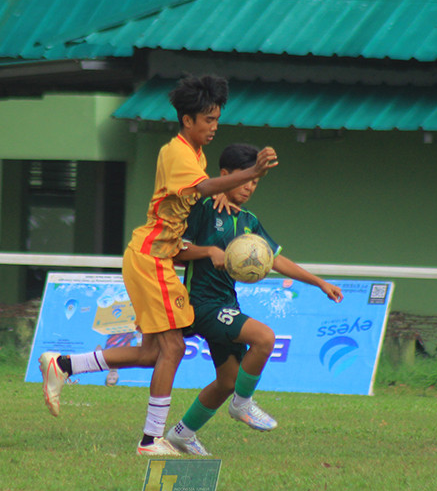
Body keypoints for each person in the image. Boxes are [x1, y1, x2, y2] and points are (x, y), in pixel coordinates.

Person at [39, 75, 278, 455]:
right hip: (151, 257)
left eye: (217, 119)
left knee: (155, 352)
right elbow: (201, 189)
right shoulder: (178, 153)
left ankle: (64, 365)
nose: (214, 127)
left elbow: (202, 193)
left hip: (157, 258)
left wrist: (228, 198)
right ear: (188, 120)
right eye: (208, 120)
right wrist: (251, 173)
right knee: (173, 349)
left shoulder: (195, 153)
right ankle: (151, 440)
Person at [166, 143, 343, 456]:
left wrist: (318, 282)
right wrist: (209, 251)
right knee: (264, 338)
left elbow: (274, 259)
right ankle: (243, 404)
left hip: (227, 303)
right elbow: (174, 249)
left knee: (227, 381)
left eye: (255, 182)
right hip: (202, 303)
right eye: (245, 178)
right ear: (225, 176)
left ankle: (182, 434)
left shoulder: (249, 221)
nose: (249, 186)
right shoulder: (204, 210)